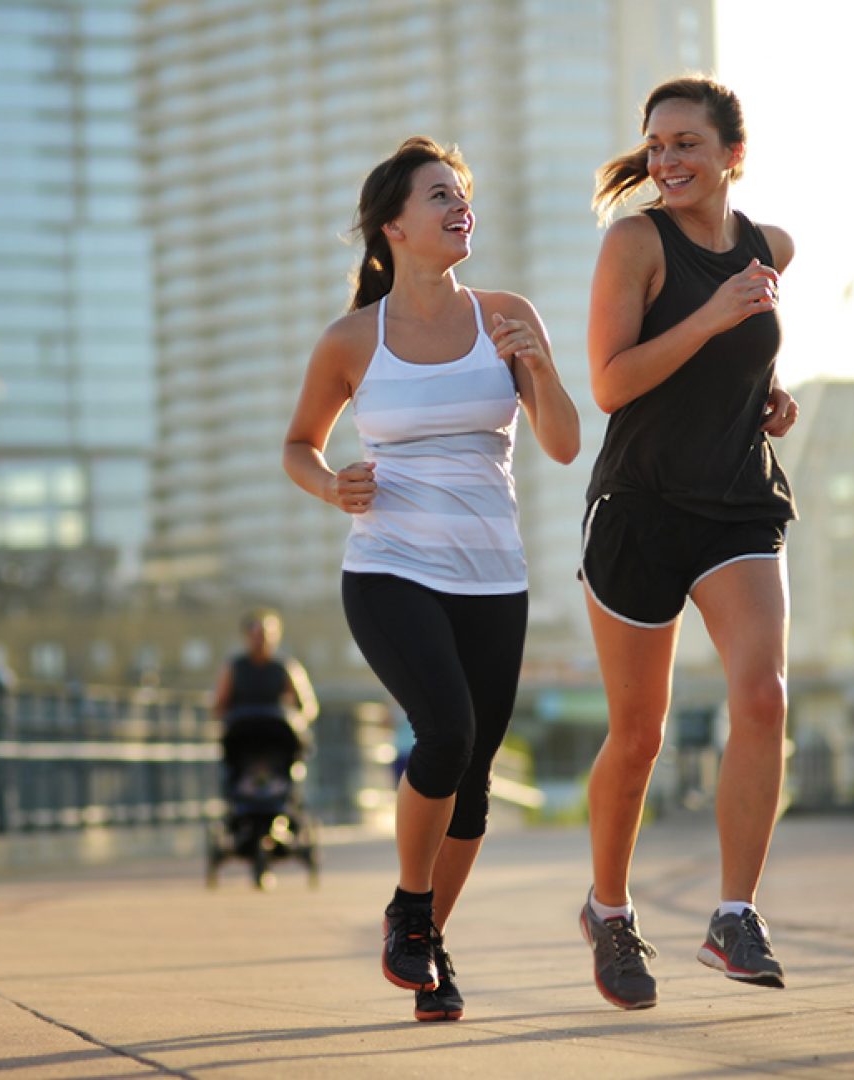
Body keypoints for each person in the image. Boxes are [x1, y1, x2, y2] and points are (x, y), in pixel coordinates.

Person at [283, 136, 581, 1023]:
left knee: (474, 780)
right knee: (444, 731)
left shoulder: (505, 315)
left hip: (493, 578)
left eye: (463, 193)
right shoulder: (351, 339)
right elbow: (298, 445)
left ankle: (427, 950)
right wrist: (333, 482)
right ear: (393, 227)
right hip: (389, 569)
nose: (459, 206)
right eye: (438, 195)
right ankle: (411, 912)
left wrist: (540, 362)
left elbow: (562, 444)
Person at [575, 75, 801, 1011]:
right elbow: (611, 383)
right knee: (639, 735)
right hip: (640, 505)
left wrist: (770, 399)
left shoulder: (771, 246)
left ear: (731, 157)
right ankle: (609, 909)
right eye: (655, 145)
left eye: (686, 145)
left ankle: (734, 912)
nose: (665, 162)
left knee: (762, 693)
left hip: (738, 503)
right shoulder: (634, 243)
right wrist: (711, 319)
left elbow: (752, 352)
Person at [211, 608, 318, 800]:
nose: (260, 640)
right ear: (246, 636)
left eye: (265, 635)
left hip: (276, 734)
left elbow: (307, 706)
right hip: (244, 734)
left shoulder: (285, 667)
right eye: (255, 634)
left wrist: (297, 721)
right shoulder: (234, 667)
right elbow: (219, 705)